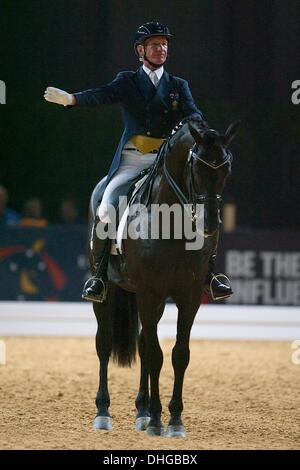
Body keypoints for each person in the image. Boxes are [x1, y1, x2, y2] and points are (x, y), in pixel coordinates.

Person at [44, 20, 232, 303]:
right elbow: (102, 95)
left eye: (165, 45)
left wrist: (206, 134)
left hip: (167, 161)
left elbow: (194, 114)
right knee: (107, 204)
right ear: (140, 50)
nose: (162, 49)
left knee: (203, 203)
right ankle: (99, 276)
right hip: (134, 159)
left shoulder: (178, 86)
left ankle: (211, 273)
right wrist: (72, 99)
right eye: (155, 45)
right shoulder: (128, 81)